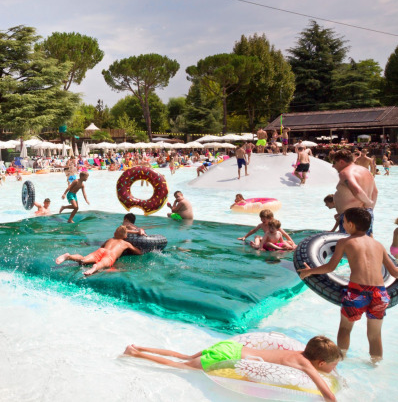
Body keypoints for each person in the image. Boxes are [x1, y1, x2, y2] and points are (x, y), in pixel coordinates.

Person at [298, 207, 398, 361]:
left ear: (350, 225)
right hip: (380, 293)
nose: (343, 225)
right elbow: (394, 272)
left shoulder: (345, 242)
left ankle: (341, 359)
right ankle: (375, 364)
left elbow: (330, 267)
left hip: (358, 292)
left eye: (343, 222)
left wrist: (310, 271)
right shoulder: (378, 245)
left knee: (345, 329)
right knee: (375, 334)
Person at [123, 336, 340, 402]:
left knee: (185, 356)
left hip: (232, 347)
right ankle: (136, 353)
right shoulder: (304, 363)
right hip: (227, 356)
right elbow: (327, 394)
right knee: (181, 367)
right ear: (320, 363)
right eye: (334, 365)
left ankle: (140, 345)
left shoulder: (301, 353)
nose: (335, 368)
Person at [54, 226, 142, 276]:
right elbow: (137, 252)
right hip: (110, 255)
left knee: (83, 259)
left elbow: (102, 247)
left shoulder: (110, 240)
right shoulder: (125, 243)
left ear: (115, 234)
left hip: (101, 250)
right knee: (104, 263)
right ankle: (95, 267)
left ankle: (68, 256)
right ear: (125, 237)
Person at [332, 149, 377, 236]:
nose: (333, 166)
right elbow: (375, 192)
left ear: (341, 162)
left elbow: (357, 190)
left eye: (334, 163)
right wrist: (370, 208)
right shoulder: (365, 171)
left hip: (351, 217)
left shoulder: (345, 173)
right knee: (364, 244)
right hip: (365, 213)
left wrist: (368, 202)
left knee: (350, 247)